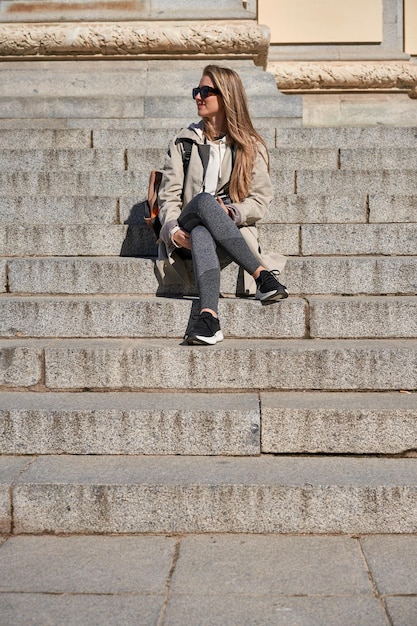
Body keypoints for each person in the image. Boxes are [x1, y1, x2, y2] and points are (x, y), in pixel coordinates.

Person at [156, 64, 288, 345]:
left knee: (205, 229)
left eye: (206, 91)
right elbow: (168, 197)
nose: (198, 97)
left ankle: (209, 318)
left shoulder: (250, 146)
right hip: (185, 230)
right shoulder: (183, 142)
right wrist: (173, 232)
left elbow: (260, 200)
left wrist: (232, 212)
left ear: (227, 96)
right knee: (203, 202)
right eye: (196, 91)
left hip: (223, 237)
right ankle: (262, 275)